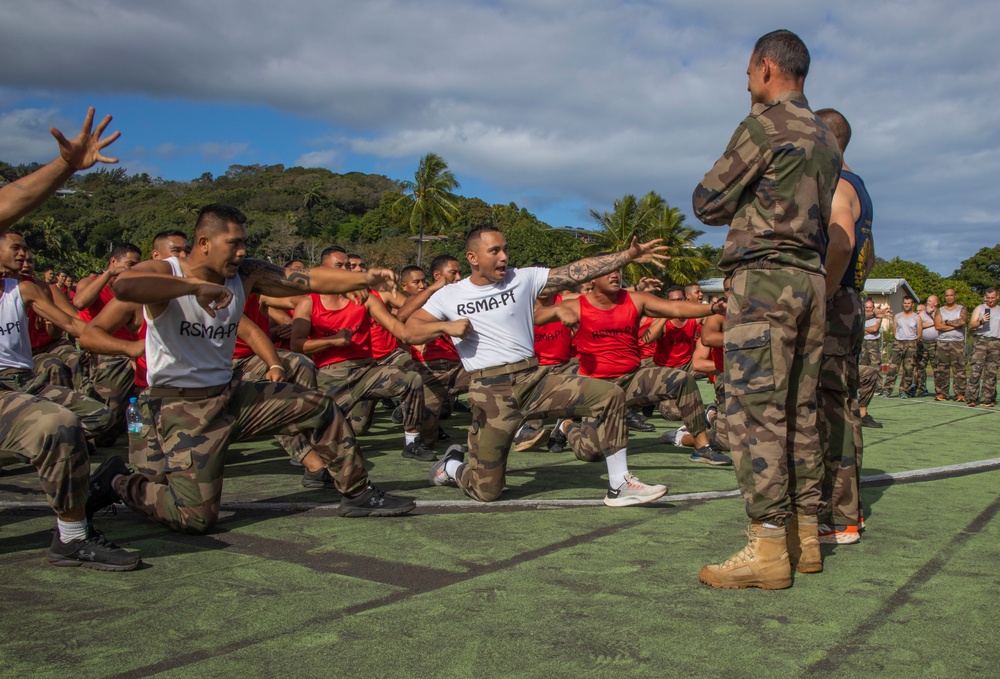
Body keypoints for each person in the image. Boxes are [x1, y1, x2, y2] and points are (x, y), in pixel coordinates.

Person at [84, 203, 416, 537]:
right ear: (203, 243)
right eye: (233, 243)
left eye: (244, 242)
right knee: (195, 518)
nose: (242, 251)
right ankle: (117, 481)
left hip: (230, 396)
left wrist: (363, 278)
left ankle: (357, 493)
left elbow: (305, 279)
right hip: (180, 408)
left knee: (319, 406)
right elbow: (126, 285)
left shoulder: (245, 274)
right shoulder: (167, 271)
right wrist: (194, 288)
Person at [692, 30, 841, 589]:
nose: (747, 80)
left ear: (766, 66)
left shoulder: (765, 125)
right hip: (810, 280)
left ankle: (768, 548)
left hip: (764, 281)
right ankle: (805, 539)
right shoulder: (827, 135)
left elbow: (706, 201)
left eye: (749, 71)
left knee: (756, 413)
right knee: (801, 412)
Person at [405, 224, 671, 506]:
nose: (504, 256)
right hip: (490, 392)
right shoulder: (451, 295)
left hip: (533, 380)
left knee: (610, 395)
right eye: (494, 250)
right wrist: (446, 326)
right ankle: (452, 468)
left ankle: (620, 484)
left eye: (505, 249)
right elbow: (410, 330)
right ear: (472, 257)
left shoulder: (522, 278)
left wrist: (626, 256)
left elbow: (576, 270)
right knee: (487, 492)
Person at [0, 107, 138, 570]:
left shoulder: (24, 288)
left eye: (23, 245)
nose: (22, 253)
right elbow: (10, 199)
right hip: (33, 377)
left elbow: (80, 330)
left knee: (71, 423)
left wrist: (137, 348)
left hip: (12, 386)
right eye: (13, 245)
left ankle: (73, 534)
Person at [536, 269, 730, 466]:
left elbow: (676, 309)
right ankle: (568, 426)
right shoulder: (576, 304)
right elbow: (534, 316)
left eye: (618, 272)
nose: (614, 275)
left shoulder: (636, 299)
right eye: (608, 272)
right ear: (594, 277)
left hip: (631, 379)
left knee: (682, 380)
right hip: (597, 388)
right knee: (591, 453)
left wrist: (714, 309)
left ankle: (701, 447)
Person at [290, 246, 440, 460]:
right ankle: (309, 454)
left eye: (348, 266)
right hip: (333, 376)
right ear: (323, 270)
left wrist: (439, 329)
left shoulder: (366, 299)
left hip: (366, 371)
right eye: (339, 266)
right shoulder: (308, 302)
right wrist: (332, 341)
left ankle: (412, 442)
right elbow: (296, 344)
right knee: (338, 430)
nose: (346, 270)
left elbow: (399, 329)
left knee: (411, 379)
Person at [813, 107, 875, 546]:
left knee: (829, 407)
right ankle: (845, 510)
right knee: (843, 404)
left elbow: (841, 242)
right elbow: (868, 255)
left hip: (835, 304)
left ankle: (839, 516)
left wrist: (823, 295)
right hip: (852, 300)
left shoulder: (839, 184)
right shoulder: (862, 187)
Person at [74, 242, 143, 440]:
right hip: (106, 353)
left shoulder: (130, 289)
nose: (133, 270)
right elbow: (80, 302)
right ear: (113, 262)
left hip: (131, 351)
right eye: (129, 264)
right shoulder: (90, 283)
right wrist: (108, 274)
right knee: (106, 426)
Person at [880, 295, 921, 398]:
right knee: (893, 368)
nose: (906, 305)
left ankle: (904, 391)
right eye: (905, 303)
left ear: (912, 304)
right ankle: (887, 390)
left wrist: (913, 342)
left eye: (908, 303)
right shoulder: (898, 316)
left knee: (908, 369)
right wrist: (898, 339)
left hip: (911, 343)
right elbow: (894, 330)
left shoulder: (917, 317)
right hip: (898, 342)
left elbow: (919, 333)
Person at [933, 288, 968, 401]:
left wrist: (947, 322)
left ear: (955, 296)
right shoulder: (940, 310)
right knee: (942, 369)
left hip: (957, 343)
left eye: (951, 295)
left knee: (959, 369)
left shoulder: (961, 308)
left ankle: (960, 393)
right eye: (947, 295)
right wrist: (955, 325)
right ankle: (942, 393)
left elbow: (962, 321)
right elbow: (938, 326)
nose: (949, 297)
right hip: (943, 342)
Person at [966, 287, 999, 407]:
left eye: (992, 298)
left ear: (997, 297)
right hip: (981, 340)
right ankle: (971, 397)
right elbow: (971, 325)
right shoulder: (980, 308)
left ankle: (987, 398)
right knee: (976, 369)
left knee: (991, 371)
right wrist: (981, 321)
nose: (990, 300)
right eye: (988, 298)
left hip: (996, 342)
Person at [914, 294, 939, 397]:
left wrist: (932, 314)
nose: (928, 302)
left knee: (937, 367)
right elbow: (918, 325)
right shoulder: (922, 314)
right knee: (920, 367)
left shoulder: (939, 312)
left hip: (936, 344)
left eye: (930, 301)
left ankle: (939, 390)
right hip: (923, 343)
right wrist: (932, 323)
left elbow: (940, 324)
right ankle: (921, 388)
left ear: (936, 303)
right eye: (927, 300)